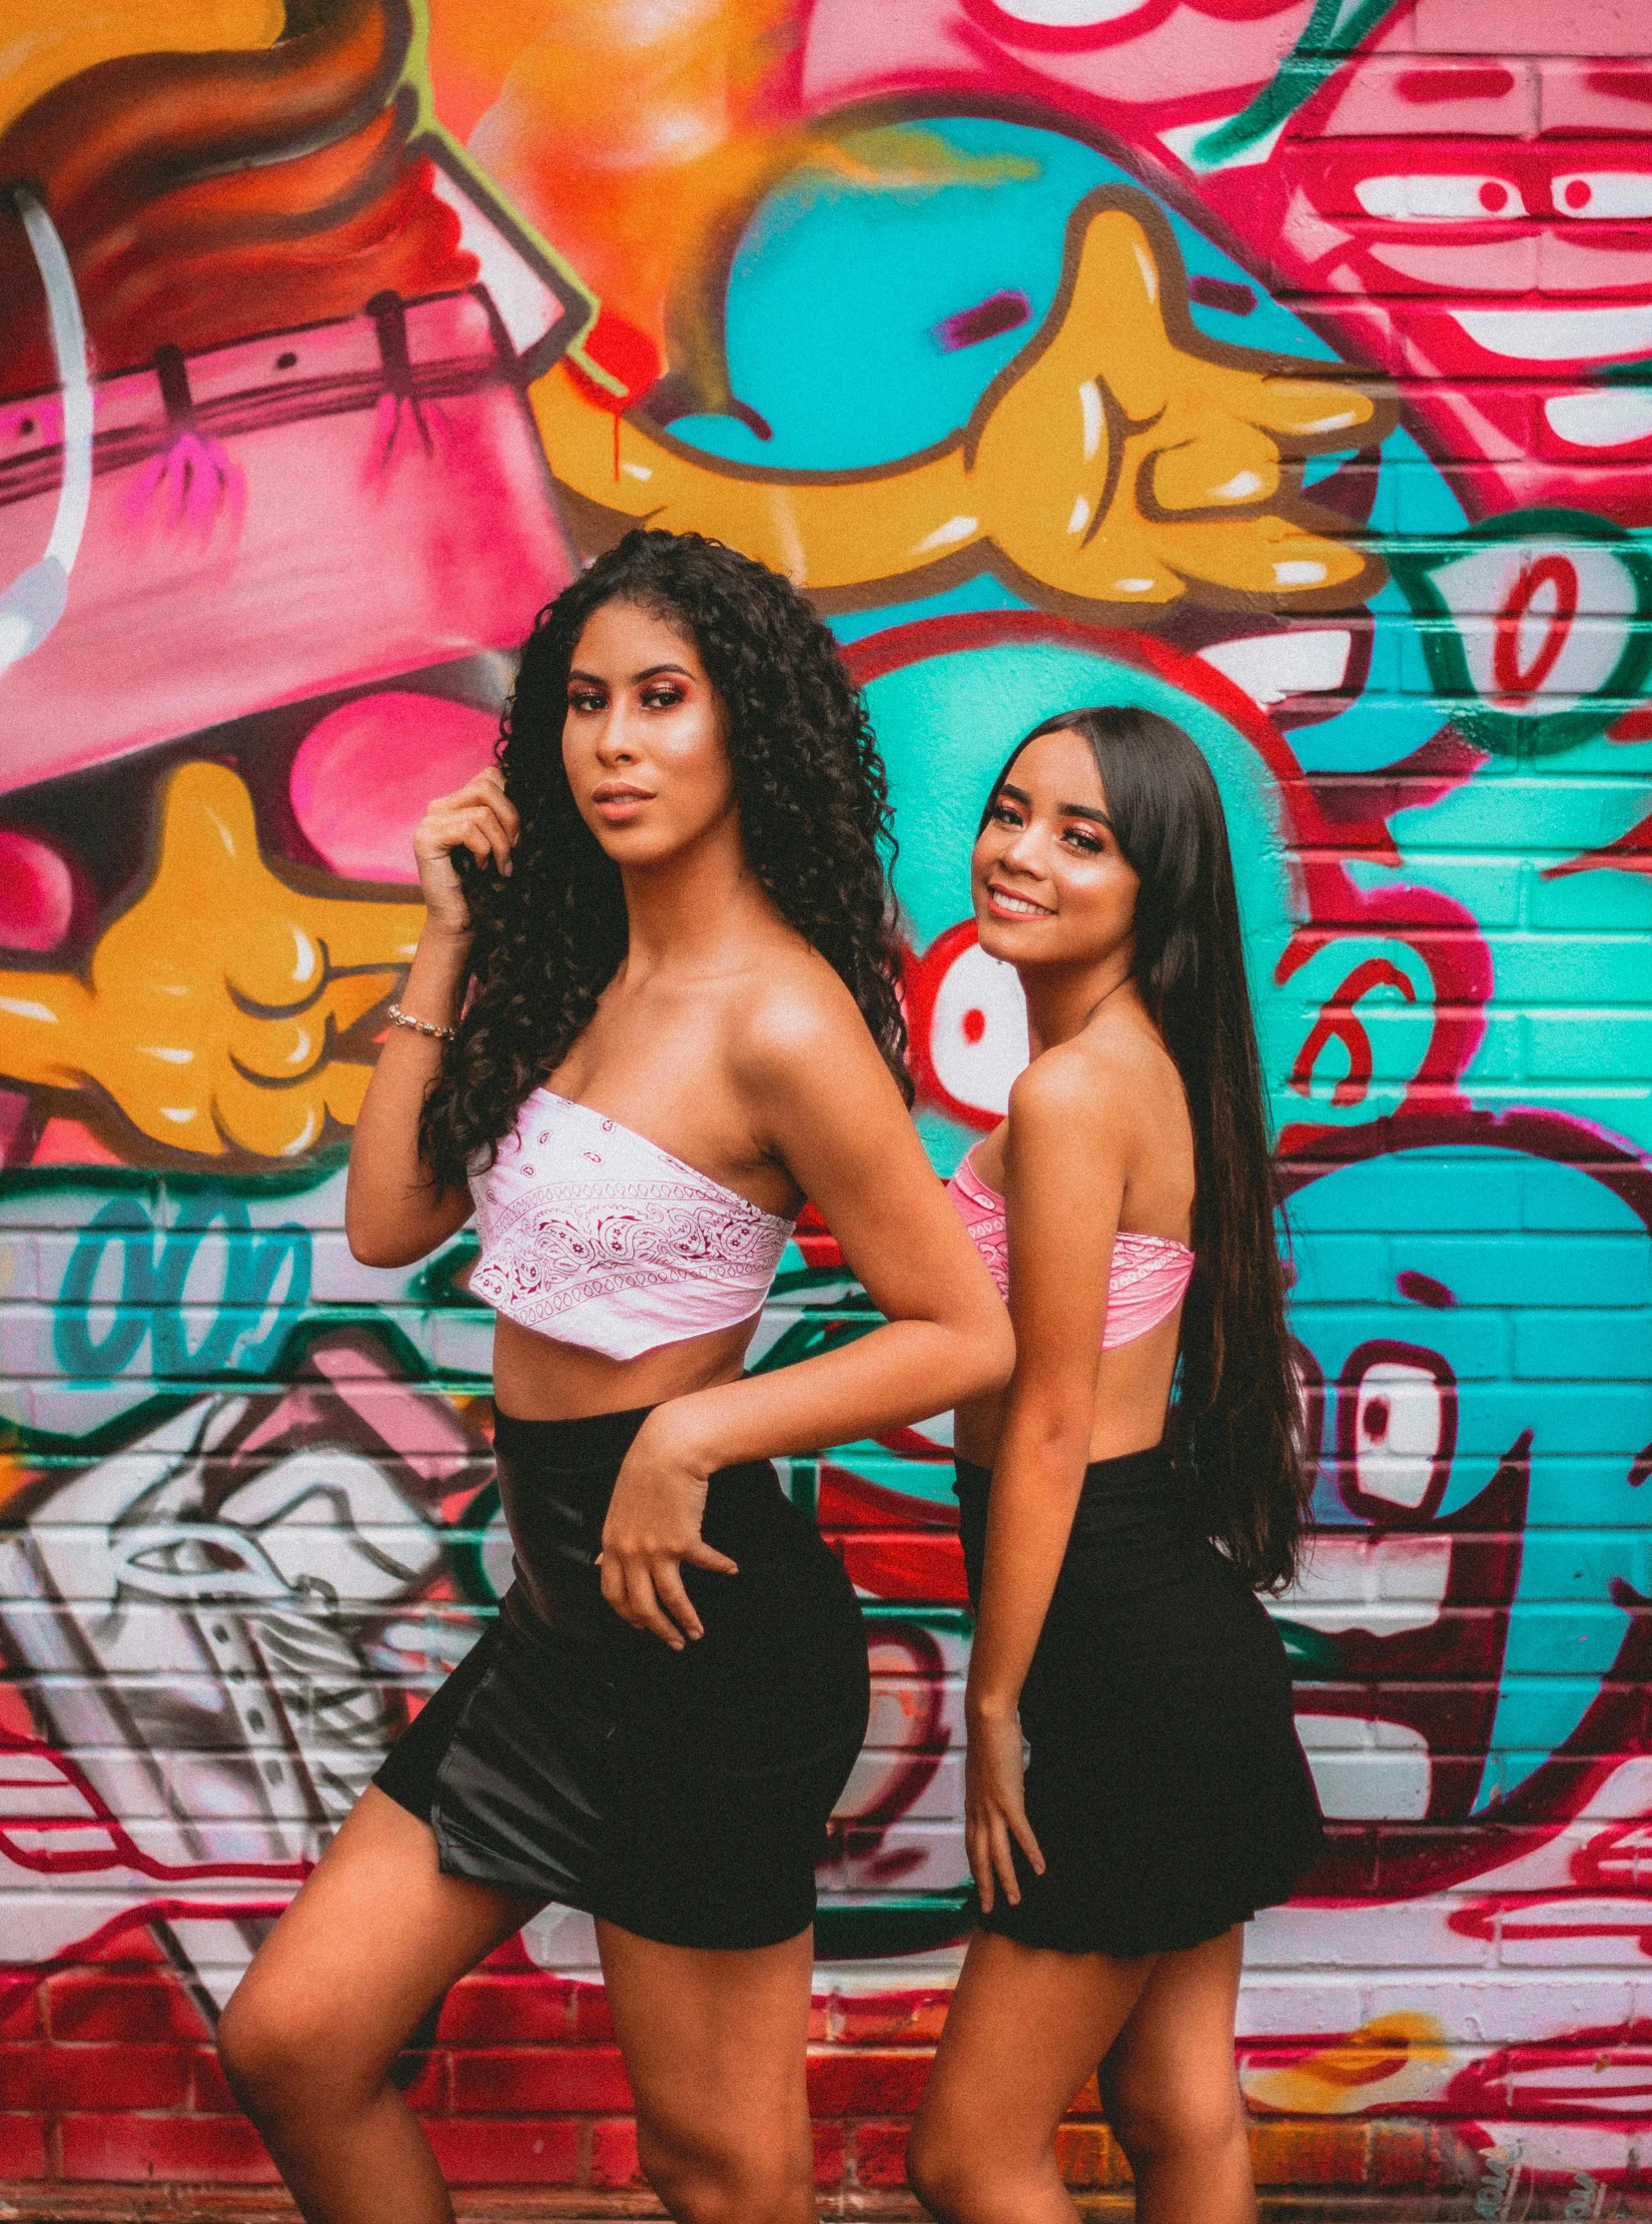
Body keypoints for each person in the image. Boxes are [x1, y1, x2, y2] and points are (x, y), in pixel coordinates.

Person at [216, 528, 1013, 2224]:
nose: (616, 743)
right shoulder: (568, 972)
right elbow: (384, 1217)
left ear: (747, 732)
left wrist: (700, 1426)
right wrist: (446, 943)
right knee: (297, 2036)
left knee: (715, 2170)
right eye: (585, 704)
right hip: (560, 1630)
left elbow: (964, 1328)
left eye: (664, 699)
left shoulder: (781, 1018)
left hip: (704, 1634)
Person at [906, 707, 1324, 2224]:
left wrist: (998, 1694)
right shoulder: (1143, 1063)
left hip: (1113, 1650)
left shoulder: (1073, 1092)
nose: (1019, 852)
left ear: (1156, 880)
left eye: (1081, 837)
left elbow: (1053, 1422)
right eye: (1010, 811)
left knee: (966, 2154)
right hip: (1170, 1628)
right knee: (1174, 2105)